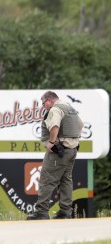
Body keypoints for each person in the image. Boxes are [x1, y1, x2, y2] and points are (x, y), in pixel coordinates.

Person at [27, 91, 84, 220]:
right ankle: (66, 212)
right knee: (66, 181)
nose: (43, 107)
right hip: (72, 149)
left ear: (49, 100)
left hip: (59, 151)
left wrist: (51, 143)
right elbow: (80, 125)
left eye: (43, 104)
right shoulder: (69, 107)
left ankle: (41, 212)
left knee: (47, 180)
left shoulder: (56, 109)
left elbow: (55, 126)